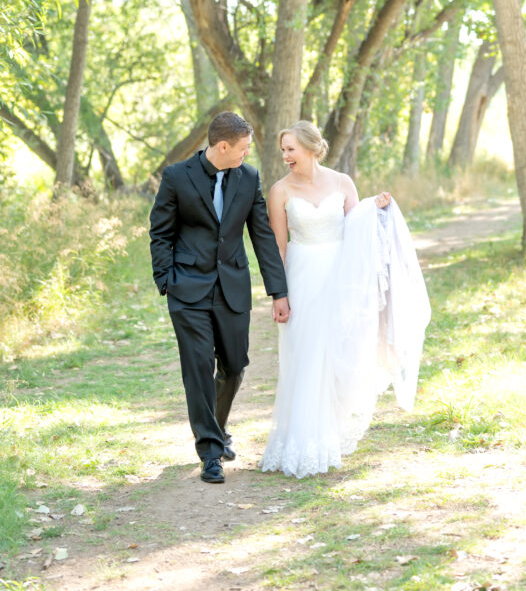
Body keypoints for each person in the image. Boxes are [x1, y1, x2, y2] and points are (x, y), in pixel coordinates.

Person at [260, 120, 431, 479]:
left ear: (309, 148)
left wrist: (377, 207)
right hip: (302, 276)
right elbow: (277, 245)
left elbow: (358, 227)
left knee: (338, 353)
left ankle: (329, 433)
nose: (285, 156)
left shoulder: (341, 182)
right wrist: (279, 294)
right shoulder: (279, 191)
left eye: (290, 149)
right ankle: (303, 441)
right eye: (283, 150)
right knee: (306, 355)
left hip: (340, 277)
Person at [150, 111, 290, 484]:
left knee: (234, 365)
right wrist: (166, 280)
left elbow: (261, 236)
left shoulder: (249, 178)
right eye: (243, 148)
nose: (248, 154)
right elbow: (160, 232)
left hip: (232, 287)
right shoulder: (177, 177)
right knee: (197, 369)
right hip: (187, 290)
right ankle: (210, 452)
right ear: (223, 146)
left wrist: (279, 290)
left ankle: (216, 428)